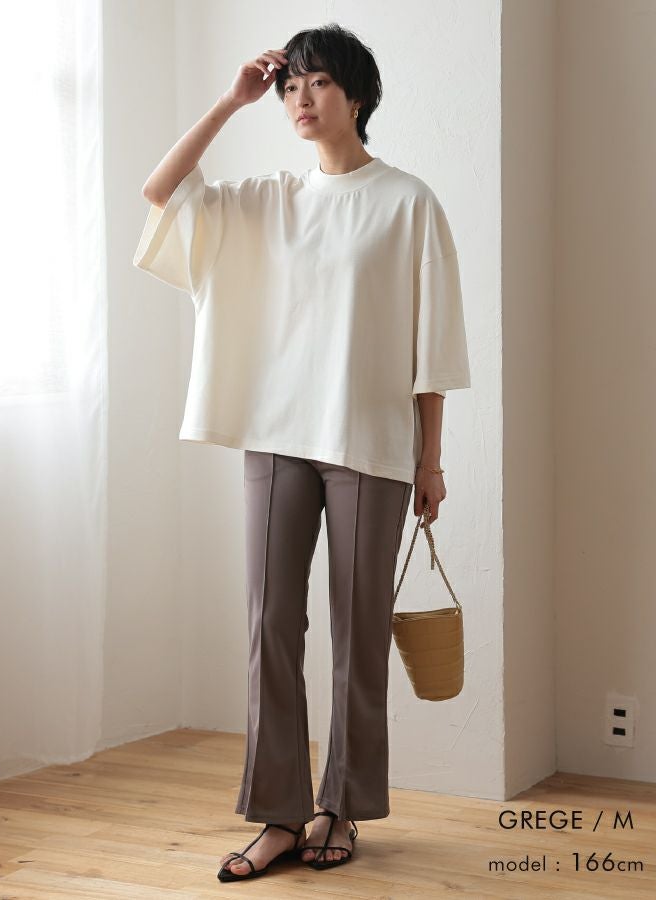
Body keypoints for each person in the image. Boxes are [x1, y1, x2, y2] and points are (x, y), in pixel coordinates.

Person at [133, 22, 471, 884]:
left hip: (370, 444)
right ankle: (280, 814)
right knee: (270, 625)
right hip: (277, 435)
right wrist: (230, 101)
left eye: (316, 83)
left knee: (358, 635)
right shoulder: (268, 200)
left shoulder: (408, 203)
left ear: (357, 95)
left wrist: (431, 460)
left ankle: (341, 807)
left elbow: (432, 347)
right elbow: (160, 190)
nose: (299, 99)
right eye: (290, 87)